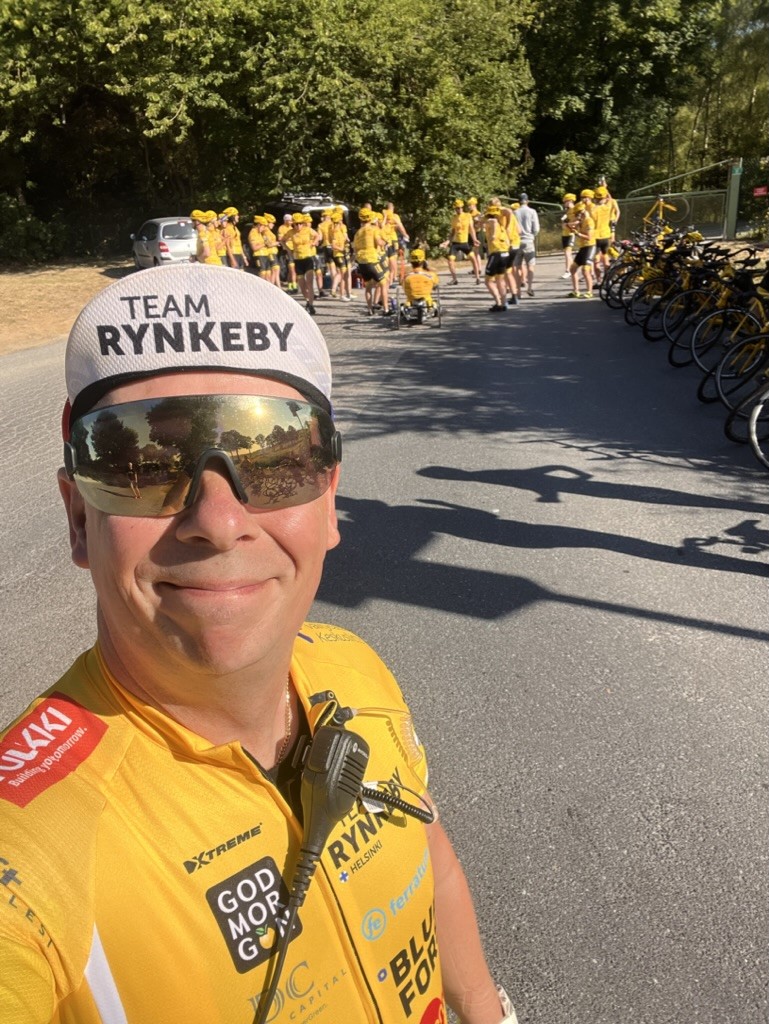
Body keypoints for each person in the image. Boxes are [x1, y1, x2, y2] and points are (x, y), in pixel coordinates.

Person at [0, 263, 519, 1024]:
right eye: (145, 466)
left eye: (274, 464)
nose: (218, 521)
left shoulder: (352, 669)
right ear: (80, 519)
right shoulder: (27, 856)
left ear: (330, 502)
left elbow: (429, 859)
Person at [352, 207, 391, 316]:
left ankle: (370, 309)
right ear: (369, 218)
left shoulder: (357, 233)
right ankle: (386, 309)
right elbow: (379, 242)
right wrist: (385, 243)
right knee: (383, 283)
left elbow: (355, 249)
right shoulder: (374, 229)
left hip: (361, 262)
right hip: (372, 260)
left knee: (368, 286)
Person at [445, 199, 481, 285]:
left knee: (473, 258)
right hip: (456, 242)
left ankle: (477, 278)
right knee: (450, 260)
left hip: (465, 242)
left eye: (461, 207)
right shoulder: (454, 218)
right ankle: (454, 279)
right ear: (455, 208)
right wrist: (448, 241)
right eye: (458, 208)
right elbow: (453, 231)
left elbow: (471, 229)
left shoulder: (468, 216)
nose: (460, 209)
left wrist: (474, 239)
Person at [513, 194, 540, 297]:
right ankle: (529, 287)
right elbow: (536, 228)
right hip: (528, 240)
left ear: (518, 201)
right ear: (527, 201)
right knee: (530, 265)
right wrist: (532, 235)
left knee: (517, 266)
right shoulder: (532, 212)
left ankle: (518, 291)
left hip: (517, 241)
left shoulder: (515, 212)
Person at [401, 248, 440, 313]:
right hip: (426, 297)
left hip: (411, 298)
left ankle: (407, 308)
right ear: (423, 262)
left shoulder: (406, 276)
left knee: (408, 301)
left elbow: (402, 285)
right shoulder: (431, 275)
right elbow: (435, 284)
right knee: (430, 299)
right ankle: (430, 307)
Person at [559, 193, 576, 278]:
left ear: (570, 201)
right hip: (564, 234)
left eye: (566, 202)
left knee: (567, 253)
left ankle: (568, 270)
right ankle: (573, 269)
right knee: (567, 253)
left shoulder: (574, 210)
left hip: (570, 234)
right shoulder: (568, 211)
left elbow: (576, 222)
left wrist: (568, 224)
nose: (564, 203)